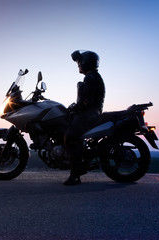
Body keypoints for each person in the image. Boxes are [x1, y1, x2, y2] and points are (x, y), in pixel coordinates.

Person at [64, 50, 105, 185]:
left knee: (69, 137)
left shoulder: (90, 78)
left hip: (90, 114)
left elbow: (87, 100)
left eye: (80, 62)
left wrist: (76, 108)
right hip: (92, 112)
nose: (78, 65)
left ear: (86, 63)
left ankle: (75, 174)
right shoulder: (93, 76)